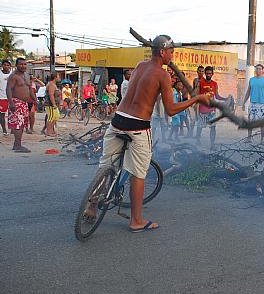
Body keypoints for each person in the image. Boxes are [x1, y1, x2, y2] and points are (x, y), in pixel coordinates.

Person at [89, 34, 210, 233]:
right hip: (137, 125)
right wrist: (196, 100)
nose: (172, 56)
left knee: (106, 165)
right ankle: (136, 220)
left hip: (117, 120)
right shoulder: (162, 75)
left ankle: (91, 205)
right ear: (162, 52)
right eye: (171, 52)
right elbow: (171, 110)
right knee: (138, 173)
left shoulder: (139, 66)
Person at [6, 58, 36, 152]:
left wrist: (35, 100)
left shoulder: (27, 75)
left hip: (24, 103)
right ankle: (18, 146)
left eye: (24, 64)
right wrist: (11, 102)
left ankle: (16, 144)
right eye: (21, 64)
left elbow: (30, 88)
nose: (23, 66)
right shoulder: (13, 76)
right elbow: (9, 89)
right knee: (17, 124)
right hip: (16, 102)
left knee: (22, 124)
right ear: (16, 65)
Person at [195, 66, 227, 150]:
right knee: (200, 127)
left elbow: (217, 96)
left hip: (212, 110)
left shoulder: (214, 84)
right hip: (202, 110)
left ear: (212, 74)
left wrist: (225, 99)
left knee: (213, 128)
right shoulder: (200, 82)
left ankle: (212, 145)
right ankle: (197, 141)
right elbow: (196, 95)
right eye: (207, 73)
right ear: (205, 73)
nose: (208, 74)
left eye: (210, 73)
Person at [242, 64, 264, 145]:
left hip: (261, 104)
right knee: (250, 121)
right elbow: (248, 92)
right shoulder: (251, 80)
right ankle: (249, 138)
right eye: (257, 69)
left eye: (259, 69)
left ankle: (262, 140)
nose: (258, 70)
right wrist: (244, 102)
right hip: (252, 103)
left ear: (262, 70)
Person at [0, 59, 12, 136]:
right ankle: (4, 130)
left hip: (12, 97)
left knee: (12, 114)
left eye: (8, 65)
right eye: (5, 65)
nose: (6, 66)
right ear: (2, 66)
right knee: (2, 115)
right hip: (2, 97)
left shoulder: (12, 74)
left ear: (10, 66)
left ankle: (13, 129)